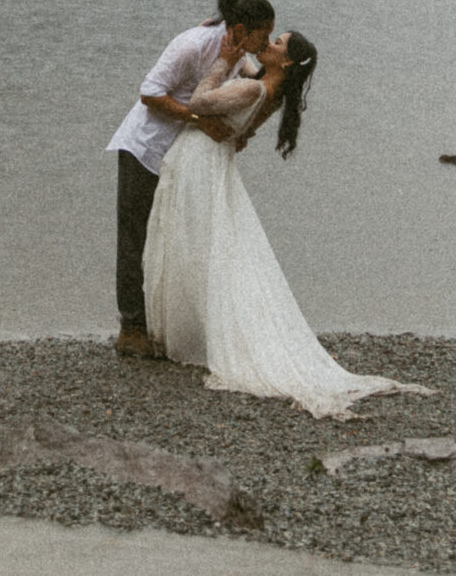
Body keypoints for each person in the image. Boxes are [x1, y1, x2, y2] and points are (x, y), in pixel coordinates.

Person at [141, 27, 425, 417]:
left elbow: (199, 101)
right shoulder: (269, 93)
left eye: (277, 43)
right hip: (211, 163)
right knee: (210, 246)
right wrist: (241, 57)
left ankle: (192, 336)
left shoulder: (252, 90)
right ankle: (198, 332)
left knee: (194, 244)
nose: (270, 43)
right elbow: (243, 129)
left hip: (199, 162)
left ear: (287, 60)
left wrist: (224, 59)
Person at [105, 0, 275, 358]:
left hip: (179, 157)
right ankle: (131, 327)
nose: (264, 44)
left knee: (170, 236)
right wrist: (197, 119)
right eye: (263, 36)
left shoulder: (235, 53)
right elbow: (149, 92)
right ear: (242, 29)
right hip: (145, 149)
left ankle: (168, 322)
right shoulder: (192, 45)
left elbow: (252, 80)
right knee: (135, 236)